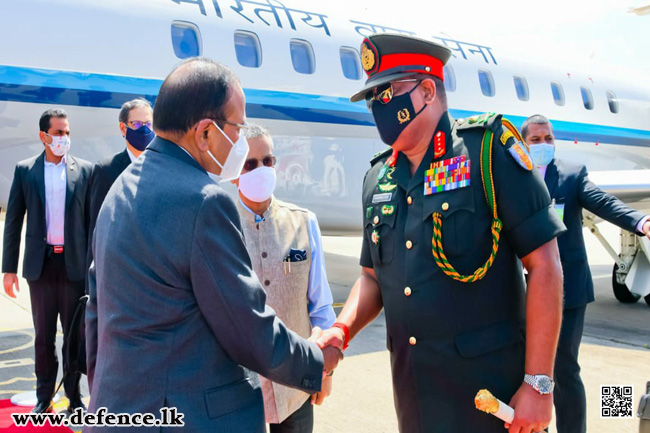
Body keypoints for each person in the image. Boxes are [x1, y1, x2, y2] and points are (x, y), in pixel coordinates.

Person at [316, 33, 566, 433]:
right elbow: (372, 279)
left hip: (493, 403)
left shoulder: (488, 151)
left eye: (387, 93)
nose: (378, 106)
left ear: (427, 90)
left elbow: (545, 266)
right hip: (415, 398)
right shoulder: (377, 178)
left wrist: (539, 385)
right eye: (372, 98)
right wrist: (340, 329)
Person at [84, 58, 342, 432]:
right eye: (237, 128)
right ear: (205, 133)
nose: (240, 140)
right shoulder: (203, 201)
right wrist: (318, 359)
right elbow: (248, 328)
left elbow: (96, 310)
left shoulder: (121, 187)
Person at [521, 114, 650, 433]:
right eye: (535, 141)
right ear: (524, 144)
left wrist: (640, 222)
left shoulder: (571, 174)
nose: (543, 145)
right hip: (525, 291)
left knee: (564, 369)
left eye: (548, 139)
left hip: (568, 291)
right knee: (527, 372)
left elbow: (604, 202)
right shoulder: (514, 179)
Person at [233, 124, 337, 432]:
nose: (261, 169)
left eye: (267, 161)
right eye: (250, 164)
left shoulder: (303, 223)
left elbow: (321, 308)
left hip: (296, 384)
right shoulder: (219, 225)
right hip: (240, 390)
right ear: (234, 170)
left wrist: (324, 373)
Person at [2, 108, 93, 413]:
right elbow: (13, 221)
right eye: (58, 133)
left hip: (74, 267)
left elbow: (91, 222)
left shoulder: (85, 171)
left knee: (74, 338)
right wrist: (9, 269)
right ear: (43, 136)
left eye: (67, 132)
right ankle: (44, 397)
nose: (64, 138)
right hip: (40, 268)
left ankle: (75, 397)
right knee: (43, 337)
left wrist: (94, 266)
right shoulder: (25, 170)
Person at [86, 98, 154, 268]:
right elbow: (96, 229)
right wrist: (92, 285)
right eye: (137, 124)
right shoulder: (106, 170)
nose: (144, 129)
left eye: (148, 124)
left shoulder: (163, 168)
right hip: (119, 269)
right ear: (123, 128)